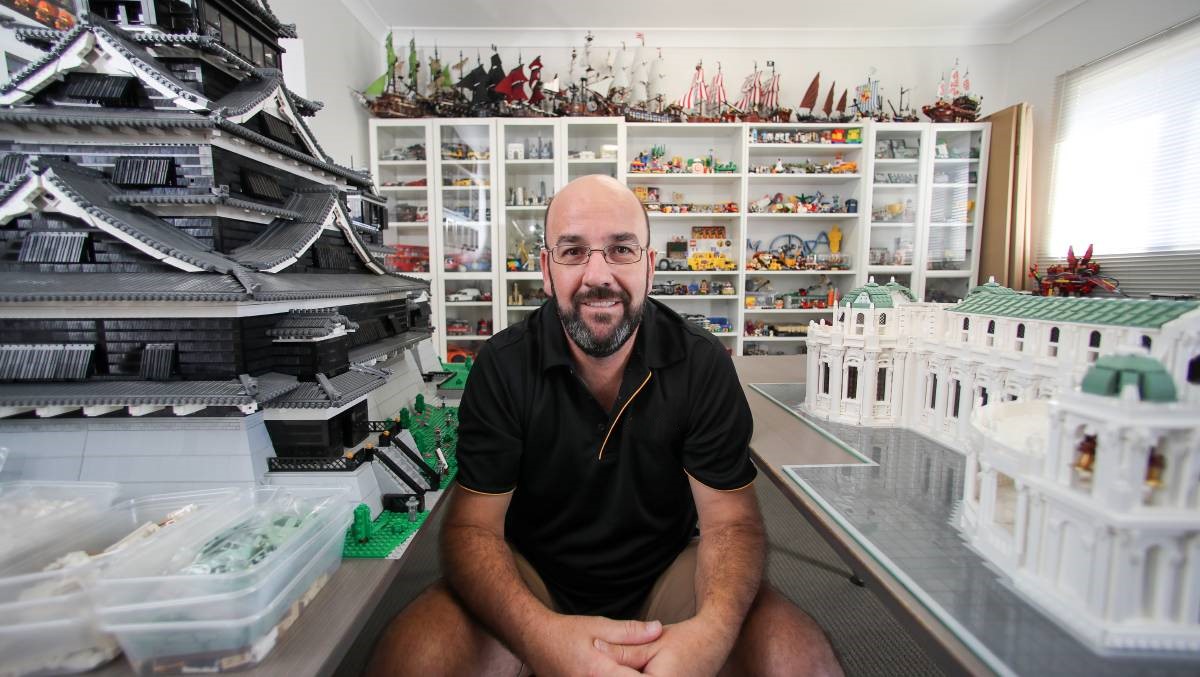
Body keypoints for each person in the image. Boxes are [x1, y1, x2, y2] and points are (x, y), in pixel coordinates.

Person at [368, 175, 841, 676]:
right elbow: (471, 527)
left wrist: (711, 634)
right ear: (547, 270)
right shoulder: (503, 366)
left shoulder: (701, 364)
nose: (598, 275)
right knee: (412, 660)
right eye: (573, 252)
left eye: (621, 250)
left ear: (650, 267)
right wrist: (539, 634)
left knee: (797, 659)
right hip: (531, 580)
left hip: (668, 576)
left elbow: (731, 523)